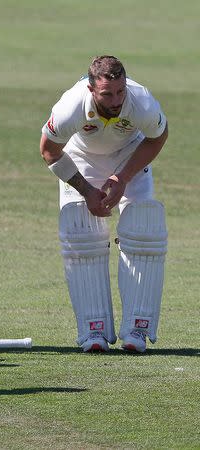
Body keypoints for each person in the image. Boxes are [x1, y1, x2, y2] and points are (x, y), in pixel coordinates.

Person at [40, 55, 169, 353]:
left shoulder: (142, 102)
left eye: (120, 91)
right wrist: (86, 191)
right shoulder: (71, 106)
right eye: (107, 94)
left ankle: (138, 329)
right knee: (82, 235)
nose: (116, 100)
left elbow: (158, 137)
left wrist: (122, 177)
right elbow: (49, 151)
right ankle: (92, 331)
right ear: (90, 89)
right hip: (82, 159)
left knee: (143, 231)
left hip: (129, 155)